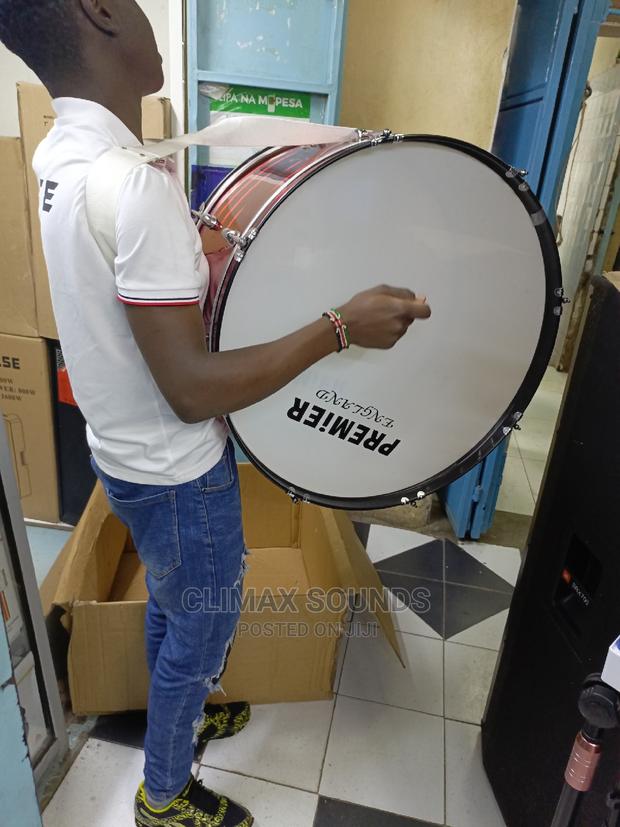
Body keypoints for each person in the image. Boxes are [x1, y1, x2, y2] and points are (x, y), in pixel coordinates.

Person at [0, 2, 431, 824]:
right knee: (200, 624)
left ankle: (186, 706)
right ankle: (164, 793)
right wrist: (341, 326)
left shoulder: (67, 159)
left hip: (123, 460)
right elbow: (192, 388)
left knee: (174, 600)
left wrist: (192, 259)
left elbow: (127, 303)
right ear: (98, 12)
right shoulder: (130, 183)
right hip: (178, 474)